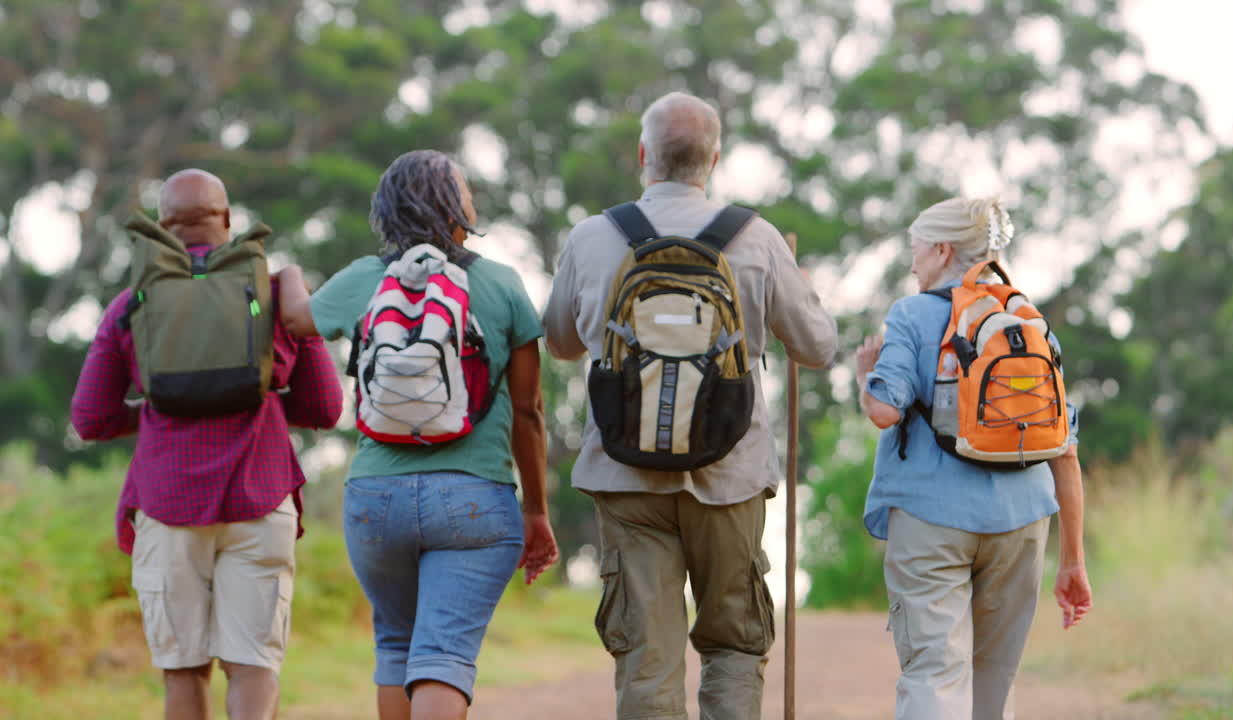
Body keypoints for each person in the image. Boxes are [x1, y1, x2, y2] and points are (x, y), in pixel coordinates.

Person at [542, 91, 838, 720]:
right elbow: (818, 348)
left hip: (625, 475)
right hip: (729, 477)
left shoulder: (594, 236)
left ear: (643, 155)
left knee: (647, 658)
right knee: (734, 643)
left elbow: (563, 345)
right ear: (714, 159)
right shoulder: (754, 238)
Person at [276, 149, 559, 720]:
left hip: (375, 500)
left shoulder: (365, 279)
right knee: (443, 655)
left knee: (396, 648)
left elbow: (294, 320)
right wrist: (535, 511)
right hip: (475, 498)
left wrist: (283, 277)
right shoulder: (503, 285)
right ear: (456, 208)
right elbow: (528, 413)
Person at [71, 169, 345, 720]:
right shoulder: (273, 297)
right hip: (257, 498)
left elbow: (90, 418)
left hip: (168, 506)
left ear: (164, 229)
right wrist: (262, 400)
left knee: (184, 670)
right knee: (252, 666)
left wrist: (158, 409)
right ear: (226, 219)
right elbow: (325, 408)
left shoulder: (132, 304)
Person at [853, 196, 1093, 720]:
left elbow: (883, 413)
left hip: (930, 519)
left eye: (916, 250)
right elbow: (1066, 452)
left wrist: (864, 376)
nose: (912, 262)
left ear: (942, 250)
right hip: (1024, 522)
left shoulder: (913, 314)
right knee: (995, 681)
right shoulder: (1027, 320)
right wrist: (1072, 560)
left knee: (934, 674)